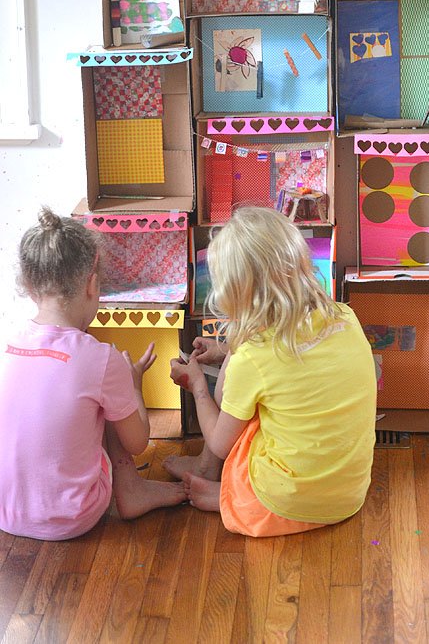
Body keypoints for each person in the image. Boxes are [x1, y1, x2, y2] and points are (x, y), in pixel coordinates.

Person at [166, 206, 376, 537]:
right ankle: (213, 479)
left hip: (281, 505)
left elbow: (221, 442)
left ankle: (225, 496)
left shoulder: (253, 357)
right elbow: (297, 369)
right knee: (258, 381)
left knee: (242, 399)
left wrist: (197, 386)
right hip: (348, 496)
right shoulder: (345, 317)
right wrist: (225, 350)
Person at [0, 207, 185, 540]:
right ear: (92, 284)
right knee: (107, 401)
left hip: (6, 514)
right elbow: (139, 442)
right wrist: (133, 385)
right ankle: (131, 491)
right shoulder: (102, 358)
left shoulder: (8, 345)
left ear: (29, 287)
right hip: (73, 518)